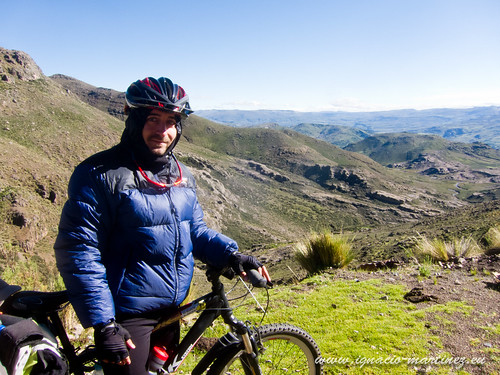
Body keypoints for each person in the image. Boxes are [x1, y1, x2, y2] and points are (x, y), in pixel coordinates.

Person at [54, 77, 271, 374]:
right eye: (153, 119)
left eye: (171, 121)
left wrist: (232, 255)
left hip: (171, 310)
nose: (163, 131)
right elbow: (79, 250)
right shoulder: (99, 174)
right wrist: (104, 324)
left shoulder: (182, 175)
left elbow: (194, 231)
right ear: (133, 120)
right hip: (127, 317)